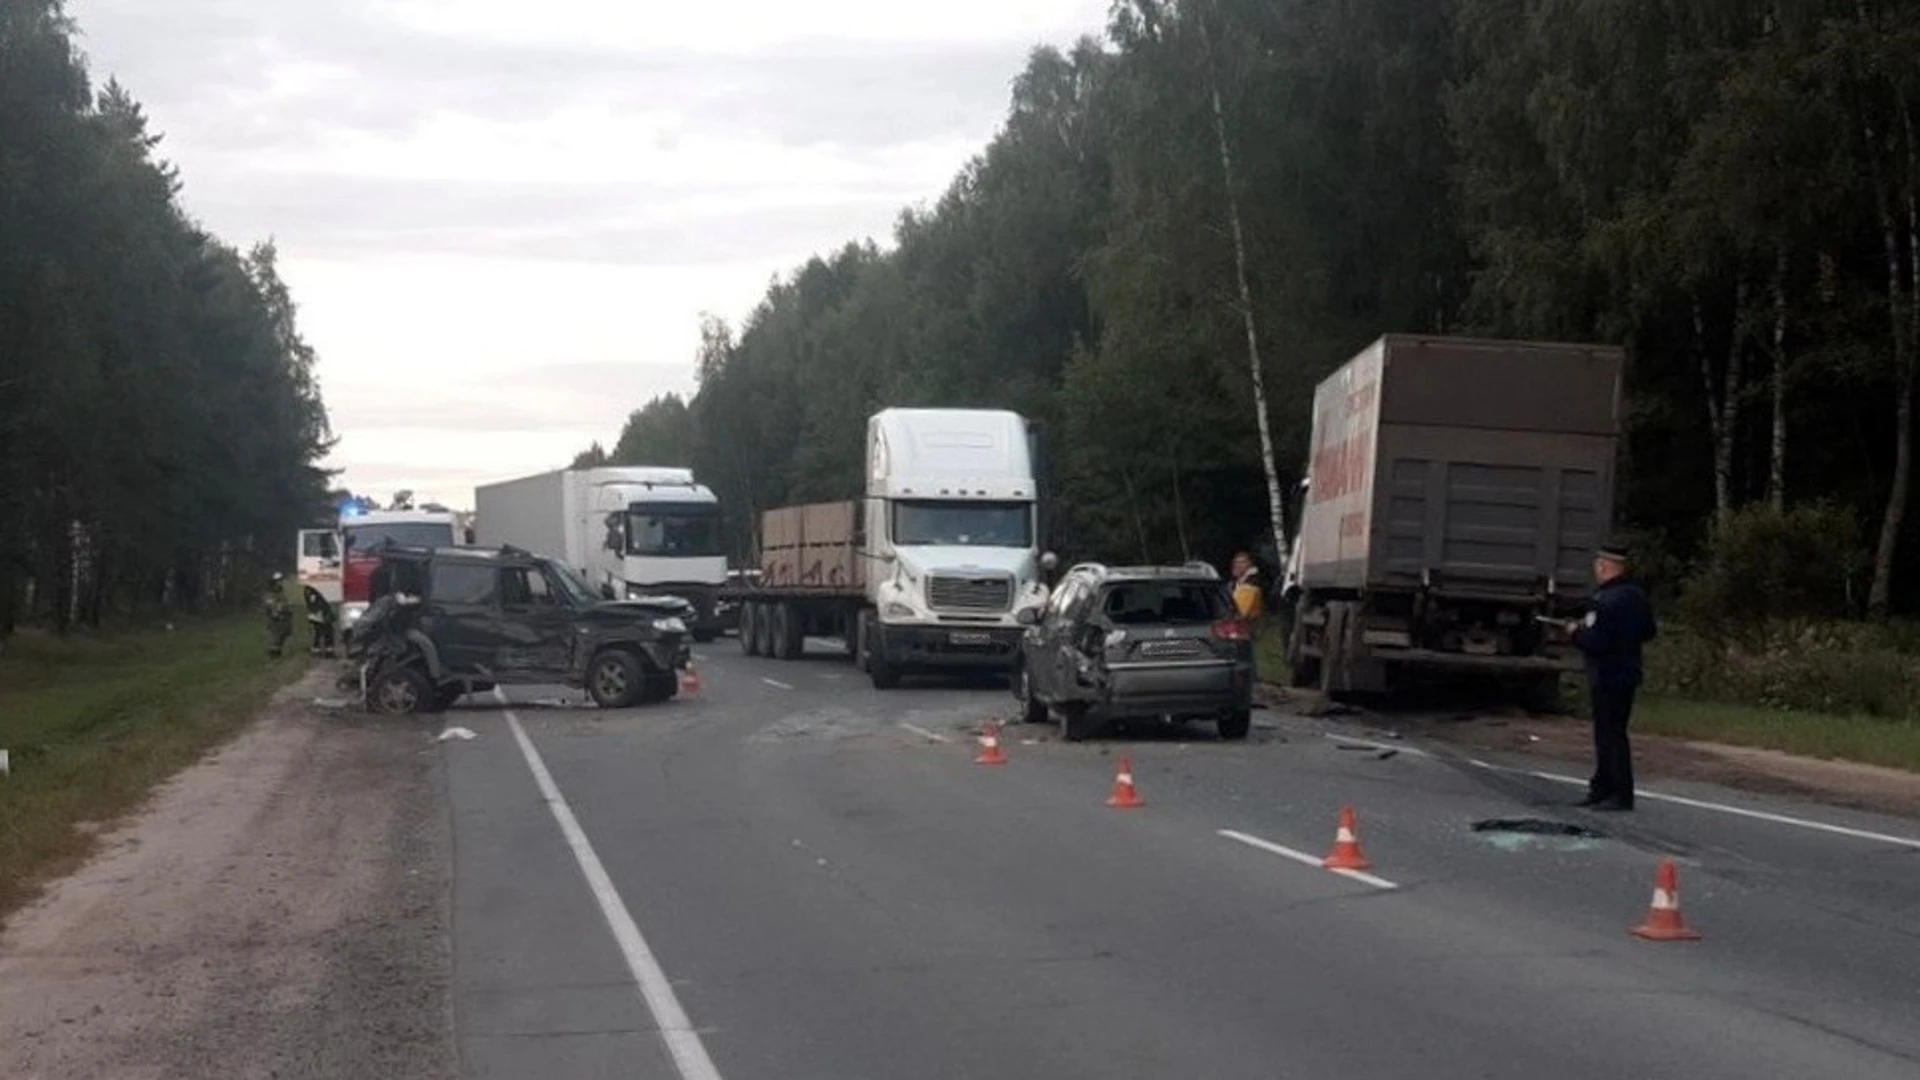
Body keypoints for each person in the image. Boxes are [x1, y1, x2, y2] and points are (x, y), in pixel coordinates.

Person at [1566, 542, 1657, 812]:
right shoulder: (1636, 595)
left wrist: (1575, 633)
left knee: (1609, 735)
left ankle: (1617, 792)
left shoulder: (1605, 600)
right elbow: (1649, 631)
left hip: (1606, 673)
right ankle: (1603, 786)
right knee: (1614, 731)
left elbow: (1596, 642)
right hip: (1627, 671)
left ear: (1604, 567)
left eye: (1598, 565)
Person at [263, 573, 293, 659]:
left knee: (284, 634)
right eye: (278, 581)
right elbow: (270, 605)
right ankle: (274, 654)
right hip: (275, 618)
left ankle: (279, 651)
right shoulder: (270, 593)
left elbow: (285, 602)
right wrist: (276, 612)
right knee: (275, 636)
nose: (280, 582)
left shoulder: (281, 592)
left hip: (285, 616)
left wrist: (287, 608)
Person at [1230, 551, 1265, 620]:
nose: (1238, 565)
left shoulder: (1252, 583)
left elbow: (1241, 613)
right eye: (1236, 562)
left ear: (1250, 564)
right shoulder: (1235, 583)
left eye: (1242, 562)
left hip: (1249, 624)